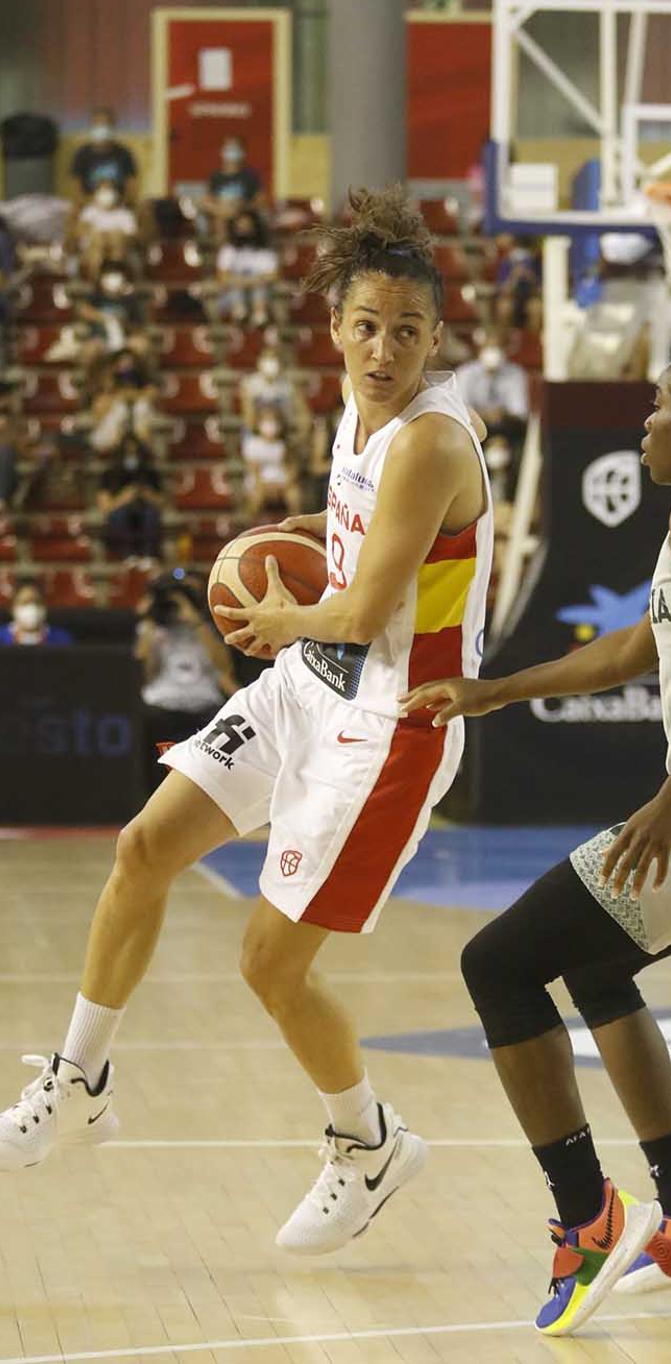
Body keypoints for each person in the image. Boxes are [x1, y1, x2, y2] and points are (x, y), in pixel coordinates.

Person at [0, 187, 493, 1267]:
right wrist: (283, 566)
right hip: (311, 683)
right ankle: (80, 1081)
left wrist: (271, 616)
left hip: (392, 721)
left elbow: (366, 611)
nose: (382, 347)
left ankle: (367, 1143)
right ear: (333, 327)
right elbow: (348, 564)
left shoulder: (430, 442)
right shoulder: (354, 412)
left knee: (269, 965)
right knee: (142, 847)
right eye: (366, 324)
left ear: (436, 339)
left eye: (406, 330)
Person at [402, 338, 671, 1337]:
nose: (640, 421)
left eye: (654, 405)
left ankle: (586, 1219)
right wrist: (495, 690)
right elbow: (630, 649)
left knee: (498, 966)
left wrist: (670, 794)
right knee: (597, 972)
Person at [136, 572, 237, 796]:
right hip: (163, 705)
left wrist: (196, 622)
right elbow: (144, 668)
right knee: (154, 726)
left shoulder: (207, 630)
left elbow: (223, 666)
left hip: (204, 704)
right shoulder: (152, 629)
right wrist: (152, 619)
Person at [455, 334, 528, 500]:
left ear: (505, 351)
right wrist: (484, 415)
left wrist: (501, 415)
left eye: (497, 348)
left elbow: (519, 412)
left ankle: (512, 500)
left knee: (521, 451)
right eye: (489, 347)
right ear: (481, 349)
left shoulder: (516, 374)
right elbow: (460, 409)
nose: (493, 352)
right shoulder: (465, 373)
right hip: (474, 431)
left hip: (507, 431)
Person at [97, 432, 164, 560]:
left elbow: (161, 502)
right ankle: (127, 555)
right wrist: (124, 498)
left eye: (134, 450)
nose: (131, 453)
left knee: (150, 515)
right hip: (120, 510)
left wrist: (144, 493)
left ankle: (149, 555)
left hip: (144, 508)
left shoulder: (148, 472)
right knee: (118, 516)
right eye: (127, 450)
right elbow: (105, 507)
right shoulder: (110, 474)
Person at [199, 137, 265, 244]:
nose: (231, 152)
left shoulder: (250, 176)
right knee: (220, 221)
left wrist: (243, 206)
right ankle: (223, 256)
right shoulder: (216, 177)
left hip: (243, 213)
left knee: (244, 223)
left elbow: (261, 201)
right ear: (222, 151)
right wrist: (220, 209)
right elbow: (206, 200)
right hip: (220, 213)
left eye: (235, 148)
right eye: (229, 148)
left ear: (243, 152)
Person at [241, 407, 303, 520]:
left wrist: (284, 485)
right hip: (259, 483)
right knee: (256, 497)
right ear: (258, 424)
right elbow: (254, 470)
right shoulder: (252, 444)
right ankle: (249, 529)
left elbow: (292, 469)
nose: (270, 426)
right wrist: (265, 486)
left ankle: (295, 528)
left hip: (282, 483)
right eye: (266, 421)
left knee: (294, 495)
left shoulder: (285, 445)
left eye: (273, 421)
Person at [70, 108, 138, 209]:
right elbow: (76, 188)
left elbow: (131, 187)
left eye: (106, 124)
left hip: (118, 205)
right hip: (90, 205)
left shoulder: (124, 154)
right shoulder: (82, 154)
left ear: (113, 127)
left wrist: (119, 204)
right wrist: (90, 203)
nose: (102, 128)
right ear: (92, 126)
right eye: (98, 124)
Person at [0, 580, 73, 646]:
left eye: (37, 602)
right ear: (12, 608)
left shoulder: (62, 639)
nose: (32, 608)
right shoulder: (1, 638)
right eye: (25, 602)